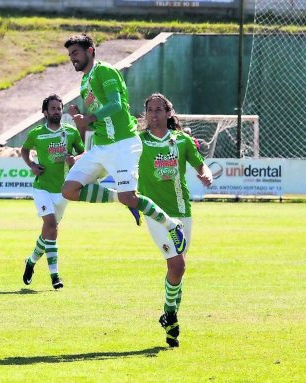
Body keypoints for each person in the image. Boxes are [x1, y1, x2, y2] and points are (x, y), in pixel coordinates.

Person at [62, 34, 186, 254]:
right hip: (101, 147)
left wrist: (89, 118)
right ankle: (121, 197)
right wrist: (82, 118)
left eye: (75, 53)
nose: (72, 58)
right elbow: (101, 118)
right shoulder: (84, 82)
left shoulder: (104, 71)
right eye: (70, 54)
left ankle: (172, 225)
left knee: (130, 197)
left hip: (123, 144)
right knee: (69, 190)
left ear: (90, 51)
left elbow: (116, 104)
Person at [138, 93, 213, 347]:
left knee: (178, 269)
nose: (155, 114)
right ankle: (170, 315)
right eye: (150, 110)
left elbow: (201, 166)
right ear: (146, 114)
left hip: (182, 211)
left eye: (159, 109)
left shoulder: (182, 141)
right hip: (155, 213)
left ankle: (170, 319)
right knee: (177, 264)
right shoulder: (138, 142)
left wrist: (206, 175)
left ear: (169, 113)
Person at [21, 94, 85, 289]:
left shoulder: (71, 132)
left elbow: (82, 153)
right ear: (45, 112)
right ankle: (55, 275)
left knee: (48, 232)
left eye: (59, 108)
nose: (57, 111)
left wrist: (74, 159)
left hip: (63, 191)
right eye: (53, 109)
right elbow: (24, 150)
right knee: (51, 225)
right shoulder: (37, 133)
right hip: (42, 188)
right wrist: (31, 164)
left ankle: (31, 261)